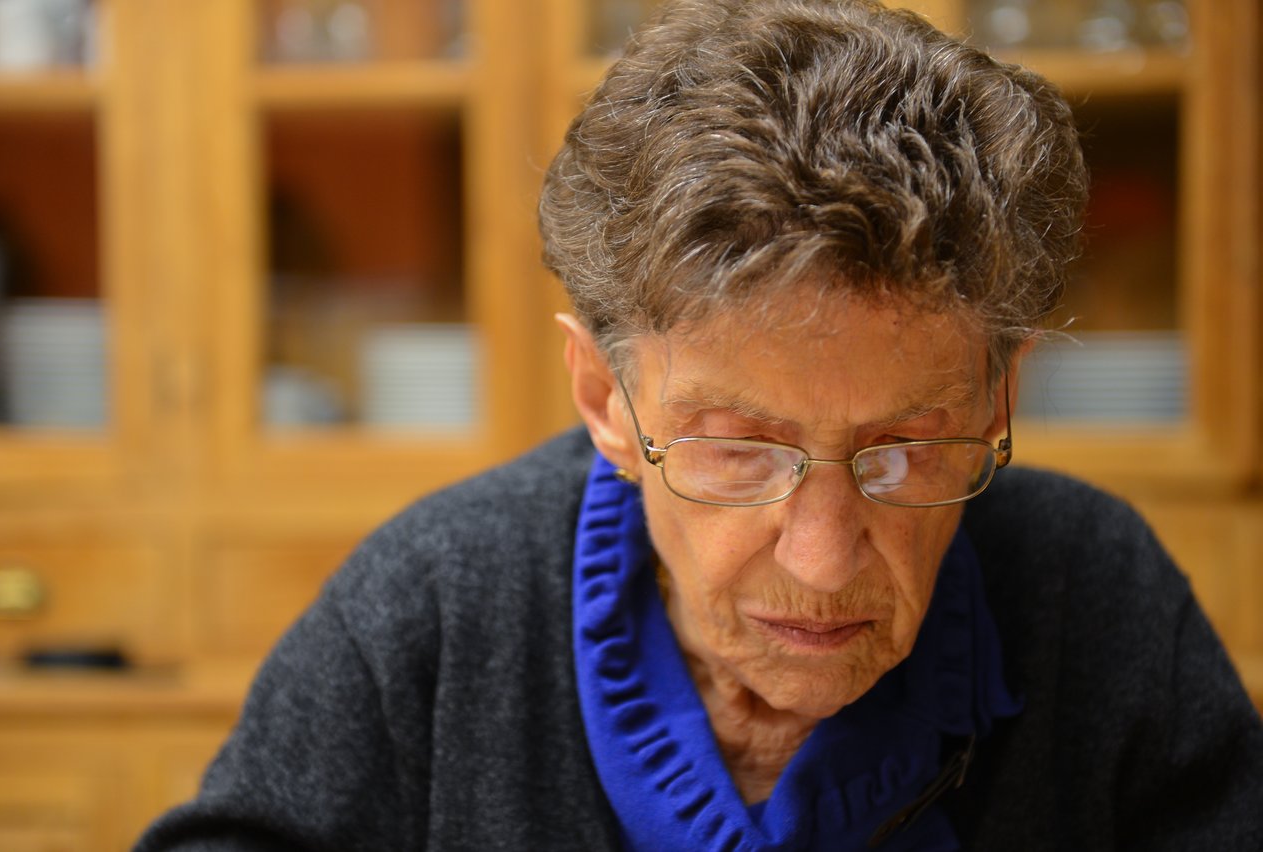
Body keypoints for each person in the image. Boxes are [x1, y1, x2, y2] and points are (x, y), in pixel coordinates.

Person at [135, 0, 1263, 849]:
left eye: (904, 449)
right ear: (603, 402)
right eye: (739, 448)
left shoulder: (1096, 598)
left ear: (997, 399)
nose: (822, 560)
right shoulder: (431, 605)